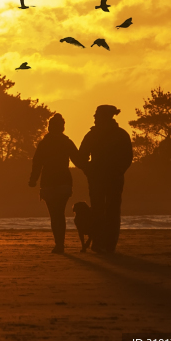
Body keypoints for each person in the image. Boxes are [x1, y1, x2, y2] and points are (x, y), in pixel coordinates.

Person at [78, 104, 133, 253]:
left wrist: (88, 170)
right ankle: (107, 244)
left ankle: (102, 243)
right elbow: (128, 157)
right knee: (109, 211)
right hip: (107, 178)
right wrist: (88, 170)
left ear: (104, 116)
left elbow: (80, 157)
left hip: (105, 178)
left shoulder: (96, 135)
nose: (94, 117)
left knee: (103, 210)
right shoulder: (120, 134)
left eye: (97, 115)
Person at [29, 113, 82, 254]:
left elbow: (37, 163)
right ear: (62, 127)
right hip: (64, 182)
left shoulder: (44, 143)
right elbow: (77, 159)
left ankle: (59, 244)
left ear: (50, 127)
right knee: (60, 213)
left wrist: (33, 179)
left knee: (55, 214)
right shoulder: (67, 142)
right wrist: (90, 168)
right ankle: (60, 243)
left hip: (48, 183)